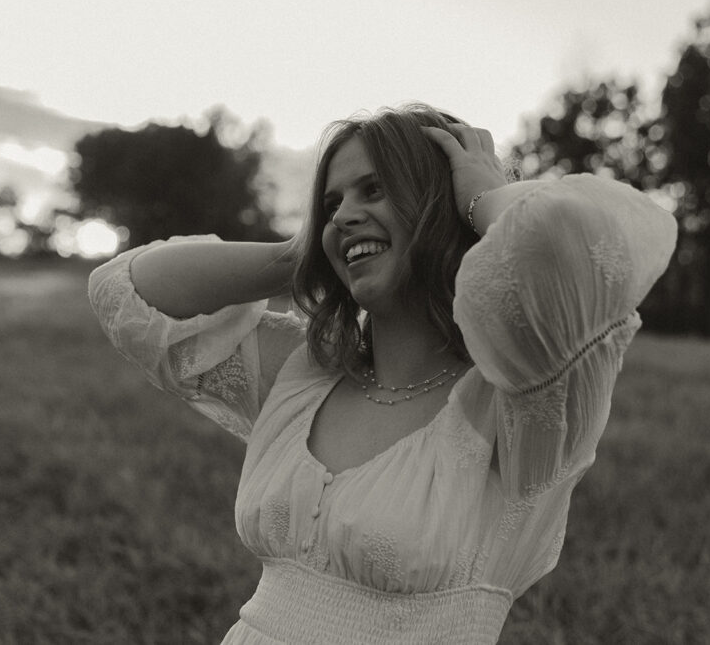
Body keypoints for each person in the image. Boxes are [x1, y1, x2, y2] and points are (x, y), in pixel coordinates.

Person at [88, 103, 677, 643]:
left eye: (375, 190)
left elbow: (589, 249)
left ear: (442, 207)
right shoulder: (308, 373)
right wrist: (299, 257)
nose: (344, 214)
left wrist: (480, 195)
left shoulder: (522, 401)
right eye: (331, 204)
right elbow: (130, 296)